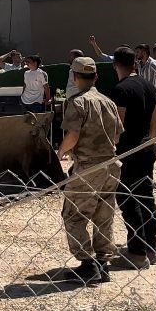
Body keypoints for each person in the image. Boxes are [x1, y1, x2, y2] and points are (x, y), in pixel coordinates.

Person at [57, 57, 122, 284]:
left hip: (87, 166)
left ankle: (87, 263)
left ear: (75, 78)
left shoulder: (76, 102)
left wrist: (60, 154)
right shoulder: (108, 102)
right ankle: (103, 263)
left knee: (73, 215)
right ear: (95, 77)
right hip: (111, 165)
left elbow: (73, 135)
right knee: (104, 215)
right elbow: (116, 134)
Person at [107, 47, 156, 269]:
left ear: (115, 65)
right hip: (146, 147)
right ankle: (151, 246)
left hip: (127, 152)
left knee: (128, 200)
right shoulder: (149, 86)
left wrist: (112, 146)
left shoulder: (120, 90)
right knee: (146, 196)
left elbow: (117, 123)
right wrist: (150, 139)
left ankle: (137, 252)